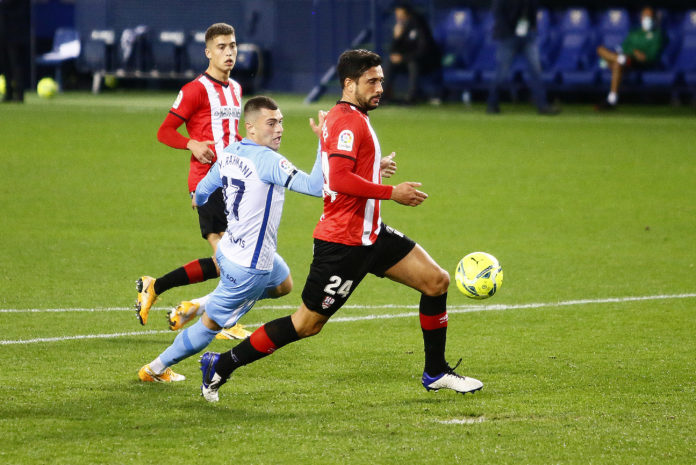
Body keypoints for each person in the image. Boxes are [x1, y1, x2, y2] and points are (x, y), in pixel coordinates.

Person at [198, 49, 483, 403]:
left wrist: (376, 169)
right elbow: (343, 179)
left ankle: (436, 372)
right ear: (350, 84)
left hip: (371, 233)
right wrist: (390, 191)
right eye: (372, 81)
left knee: (436, 282)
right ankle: (221, 365)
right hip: (343, 244)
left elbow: (340, 171)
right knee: (306, 324)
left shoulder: (344, 115)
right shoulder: (348, 121)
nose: (380, 87)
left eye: (381, 79)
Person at [138, 96, 326, 382]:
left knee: (284, 283)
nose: (279, 130)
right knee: (210, 325)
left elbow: (202, 191)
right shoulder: (270, 161)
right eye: (271, 123)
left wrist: (199, 200)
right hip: (249, 267)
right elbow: (315, 187)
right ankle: (155, 368)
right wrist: (323, 141)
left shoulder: (229, 153)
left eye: (281, 123)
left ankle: (204, 303)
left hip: (231, 250)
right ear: (250, 127)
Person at [135, 22, 250, 339]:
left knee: (227, 260)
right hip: (208, 183)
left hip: (234, 184)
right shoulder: (195, 90)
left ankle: (156, 286)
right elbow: (165, 131)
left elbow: (230, 134)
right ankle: (219, 318)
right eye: (222, 47)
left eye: (233, 46)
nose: (229, 53)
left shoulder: (236, 89)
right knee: (232, 259)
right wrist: (191, 143)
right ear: (208, 52)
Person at [486, 0, 559, 115]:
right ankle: (492, 105)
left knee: (536, 71)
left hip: (527, 37)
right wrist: (510, 31)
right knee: (501, 73)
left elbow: (532, 9)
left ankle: (543, 106)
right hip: (508, 37)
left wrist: (532, 26)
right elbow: (498, 13)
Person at [595, 6, 664, 110]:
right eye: (645, 16)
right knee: (600, 49)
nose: (647, 19)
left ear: (654, 18)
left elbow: (652, 55)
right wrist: (633, 52)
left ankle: (611, 62)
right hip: (626, 58)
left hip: (638, 63)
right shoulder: (634, 32)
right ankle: (617, 60)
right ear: (641, 17)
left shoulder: (657, 35)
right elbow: (624, 48)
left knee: (615, 63)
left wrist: (637, 54)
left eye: (650, 16)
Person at [383, 2, 441, 104]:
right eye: (397, 15)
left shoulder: (419, 24)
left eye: (401, 15)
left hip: (426, 63)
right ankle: (382, 96)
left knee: (412, 63)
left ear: (407, 13)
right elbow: (393, 51)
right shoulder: (401, 27)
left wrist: (403, 58)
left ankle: (412, 97)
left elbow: (423, 50)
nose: (398, 18)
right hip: (407, 60)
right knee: (390, 63)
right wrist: (396, 38)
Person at [0, 0, 30, 103]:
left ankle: (19, 93)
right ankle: (8, 92)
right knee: (5, 64)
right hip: (4, 31)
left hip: (16, 32)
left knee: (16, 64)